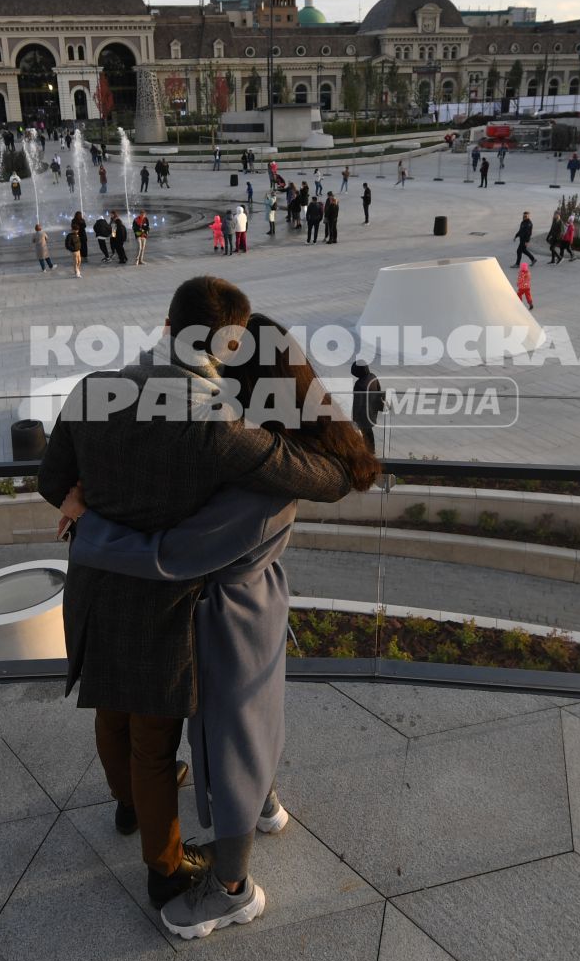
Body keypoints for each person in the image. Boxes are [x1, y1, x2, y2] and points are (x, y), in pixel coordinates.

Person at [36, 279, 366, 922]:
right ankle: (165, 873)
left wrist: (81, 509)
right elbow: (333, 478)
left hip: (94, 590)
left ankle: (127, 806)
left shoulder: (91, 390)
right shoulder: (220, 428)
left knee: (107, 705)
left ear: (166, 323)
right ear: (230, 344)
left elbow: (52, 483)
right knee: (154, 743)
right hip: (163, 604)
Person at [350, 360, 384, 453]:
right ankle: (370, 451)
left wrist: (354, 417)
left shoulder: (359, 384)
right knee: (368, 432)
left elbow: (357, 402)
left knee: (364, 434)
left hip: (363, 414)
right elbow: (379, 392)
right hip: (372, 412)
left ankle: (368, 452)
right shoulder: (373, 377)